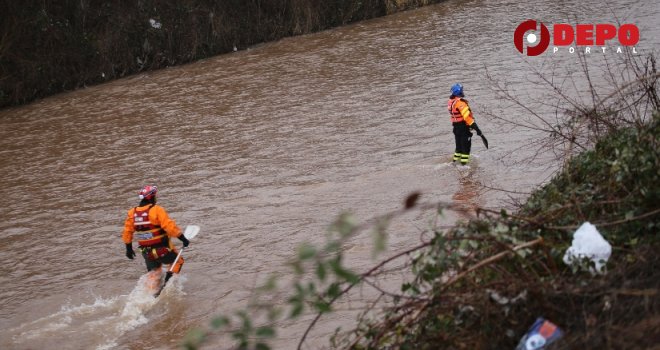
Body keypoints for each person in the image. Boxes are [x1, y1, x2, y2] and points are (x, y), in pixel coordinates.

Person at [122, 185, 190, 290]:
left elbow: (127, 232)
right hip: (162, 249)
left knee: (155, 273)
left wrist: (129, 249)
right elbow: (170, 227)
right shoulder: (157, 210)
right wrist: (183, 239)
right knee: (178, 261)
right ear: (152, 197)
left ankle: (151, 295)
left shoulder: (132, 213)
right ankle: (167, 283)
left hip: (146, 252)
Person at [447, 83, 483, 165]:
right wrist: (477, 129)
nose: (463, 91)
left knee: (458, 148)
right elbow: (467, 118)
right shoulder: (461, 104)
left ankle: (454, 163)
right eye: (462, 90)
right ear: (459, 92)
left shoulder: (451, 102)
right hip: (463, 129)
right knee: (465, 149)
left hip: (456, 128)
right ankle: (463, 167)